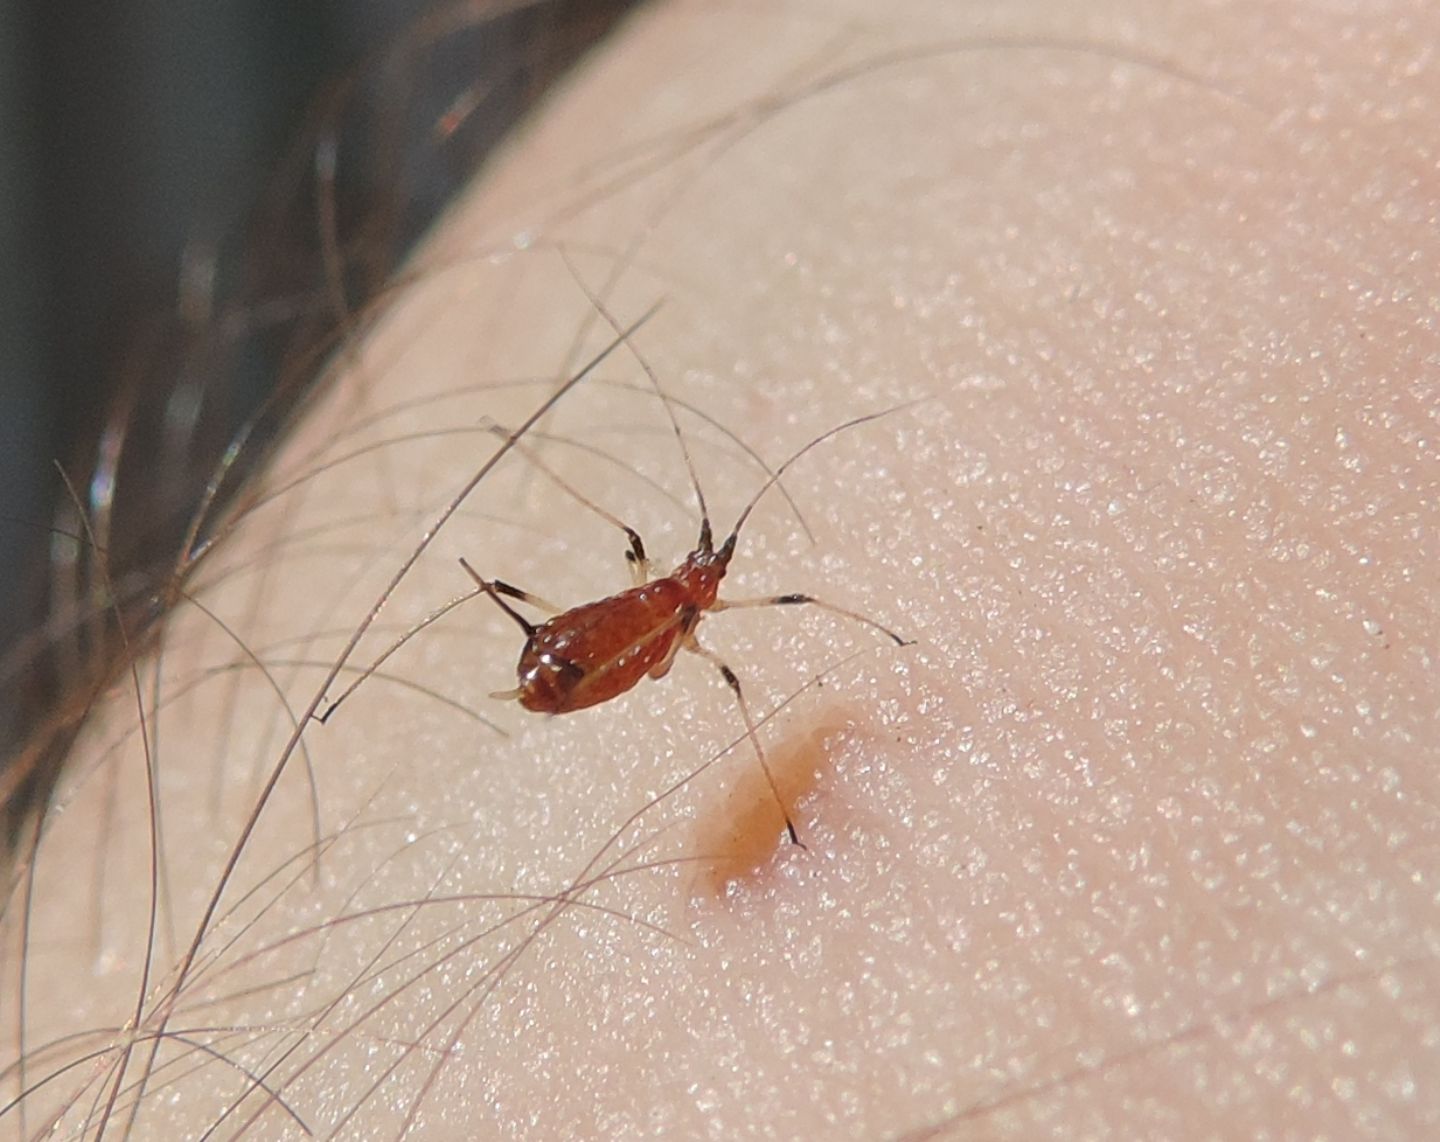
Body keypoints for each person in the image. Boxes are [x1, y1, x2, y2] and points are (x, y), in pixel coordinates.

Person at [12, 0, 1438, 1136]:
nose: (712, 563)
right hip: (584, 651)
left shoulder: (681, 604)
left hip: (593, 651)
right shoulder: (675, 604)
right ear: (696, 573)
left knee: (635, 632)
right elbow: (649, 611)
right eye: (706, 560)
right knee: (630, 629)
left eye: (708, 563)